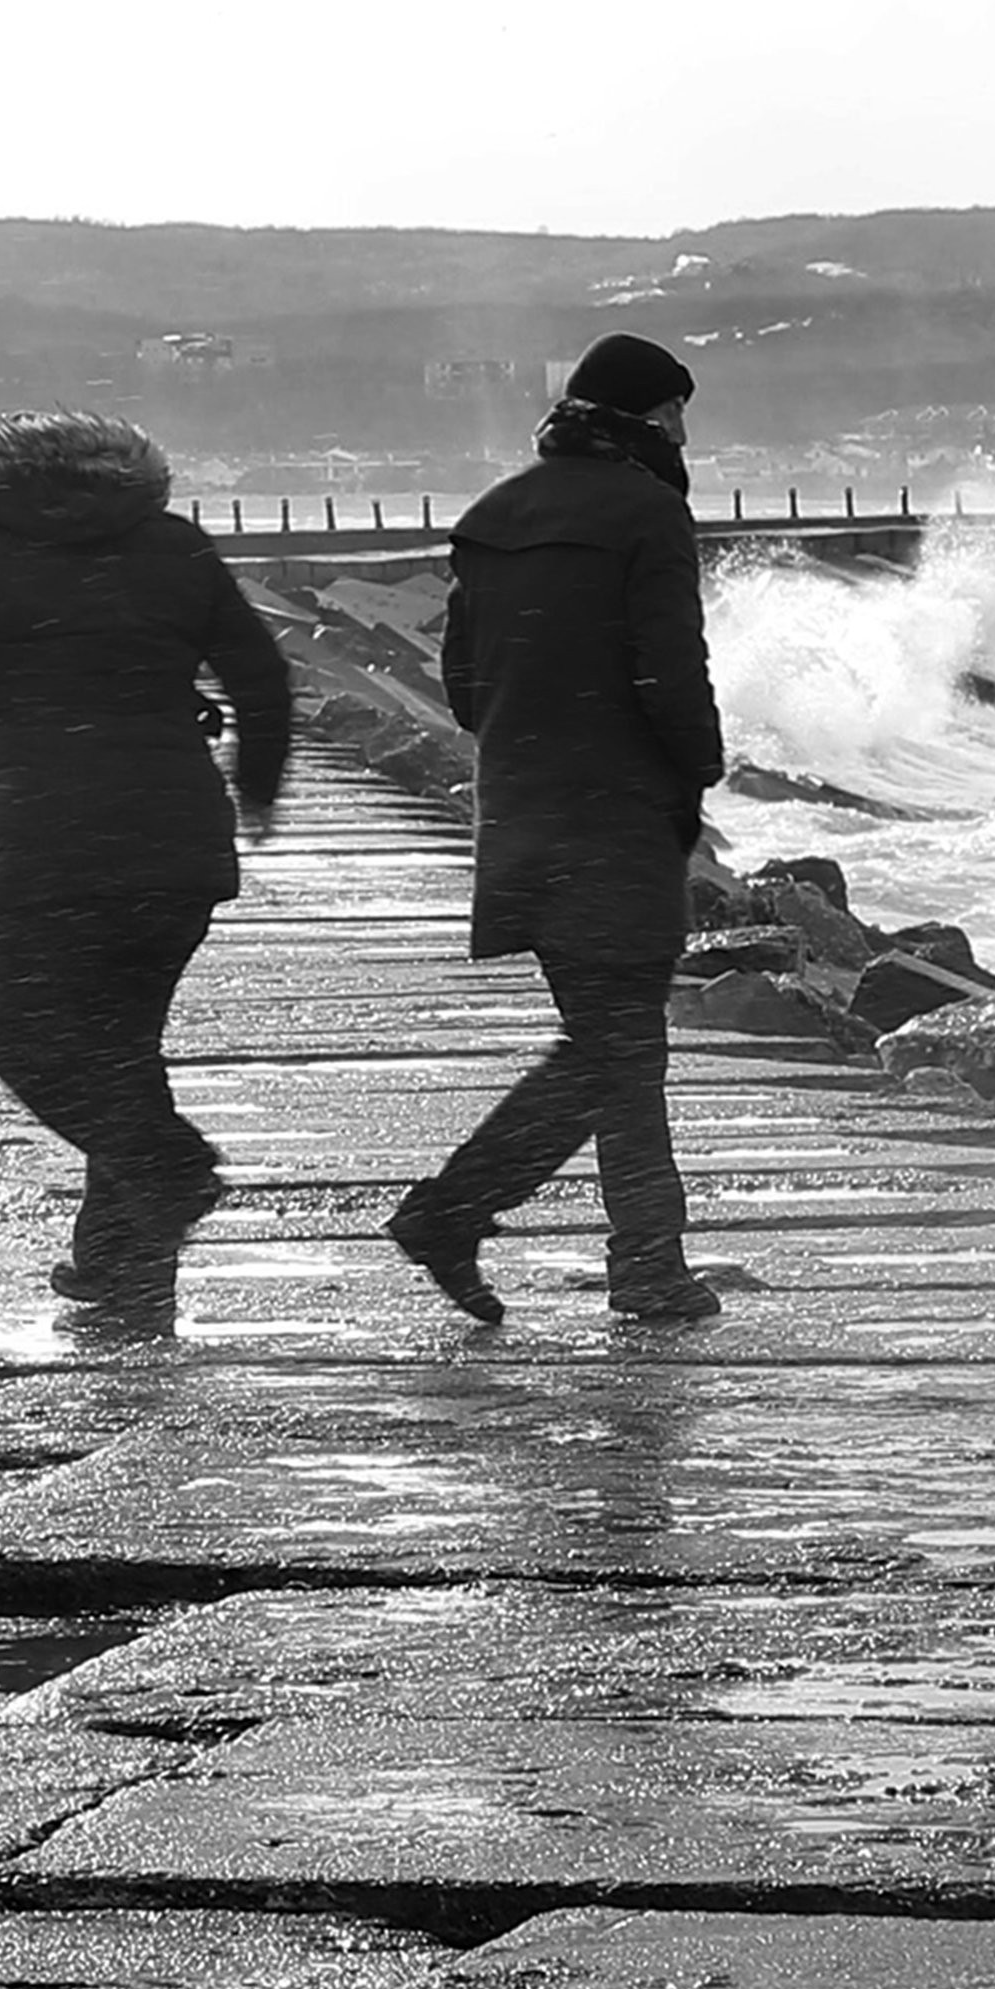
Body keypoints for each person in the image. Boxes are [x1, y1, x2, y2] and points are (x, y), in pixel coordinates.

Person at [0, 412, 292, 1330]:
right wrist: (258, 793)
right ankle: (124, 1266)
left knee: (24, 1037)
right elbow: (261, 676)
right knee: (121, 1052)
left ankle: (169, 1175)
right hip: (174, 840)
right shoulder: (175, 545)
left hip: (56, 839)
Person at [392, 330, 726, 1324]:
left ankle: (630, 1256)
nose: (680, 432)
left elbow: (461, 686)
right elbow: (673, 670)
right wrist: (700, 763)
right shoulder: (649, 517)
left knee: (610, 1043)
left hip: (524, 814)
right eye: (672, 414)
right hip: (619, 814)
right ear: (642, 420)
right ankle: (496, 1219)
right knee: (618, 1050)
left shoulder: (495, 515)